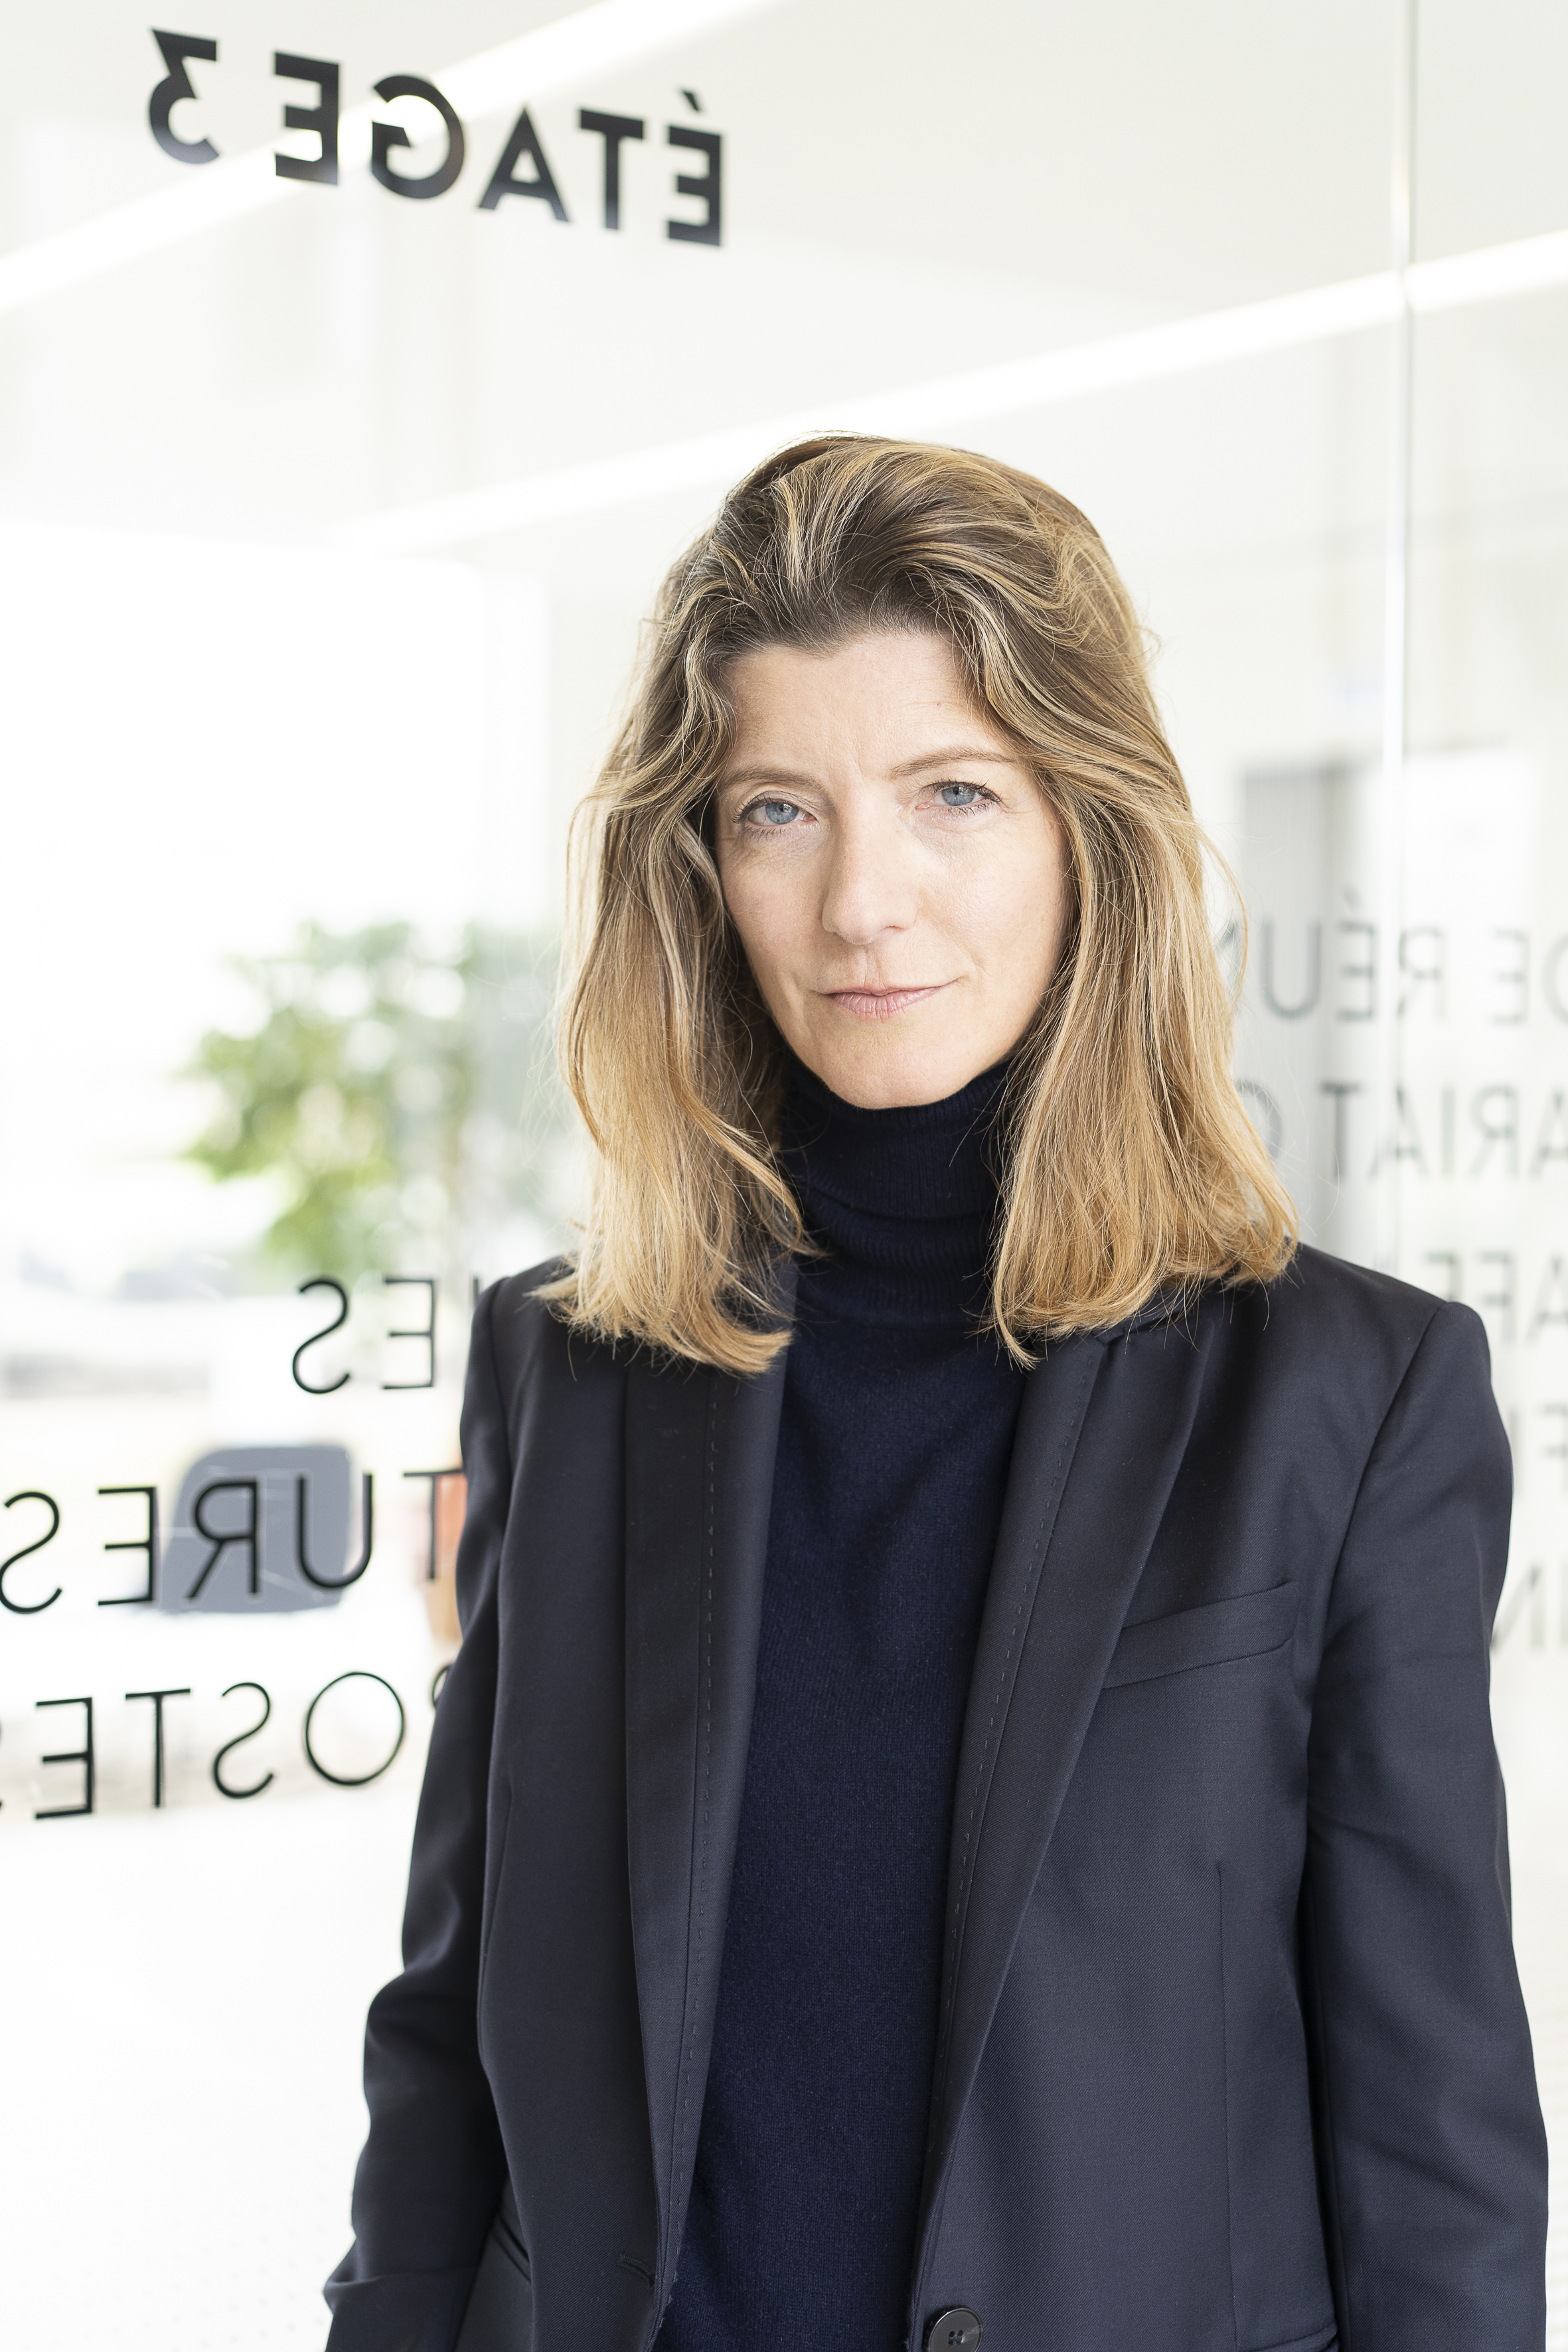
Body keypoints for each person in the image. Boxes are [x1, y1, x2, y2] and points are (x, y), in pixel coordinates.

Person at [325, 436, 1547, 2352]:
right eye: (777, 812)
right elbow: (452, 2024)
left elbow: (1431, 2125)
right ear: (700, 867)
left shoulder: (1350, 1394)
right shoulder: (566, 1365)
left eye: (952, 794)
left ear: (1088, 831)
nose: (861, 904)